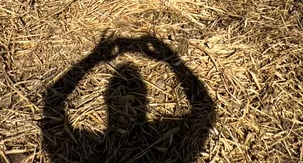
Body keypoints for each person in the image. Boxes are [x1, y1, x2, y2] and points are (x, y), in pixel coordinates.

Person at [41, 35, 215, 163]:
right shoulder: (167, 139)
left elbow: (51, 104)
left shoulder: (85, 145)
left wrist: (93, 58)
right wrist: (170, 58)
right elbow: (206, 108)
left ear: (107, 100)